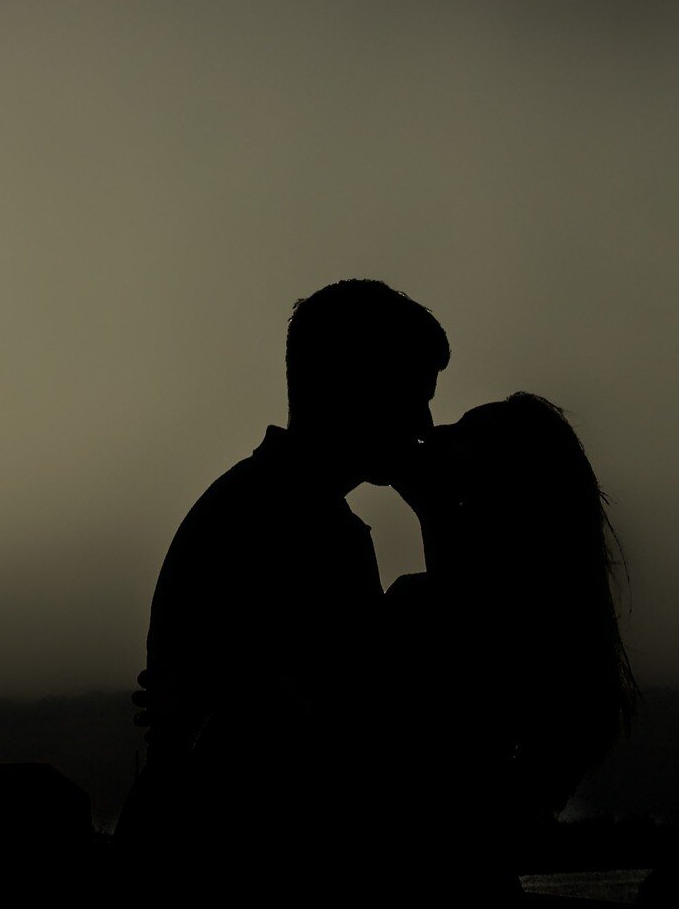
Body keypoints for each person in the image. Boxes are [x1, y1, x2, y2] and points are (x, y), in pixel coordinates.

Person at [116, 278, 450, 902]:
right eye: (413, 395)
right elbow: (345, 746)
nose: (425, 425)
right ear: (355, 386)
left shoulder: (260, 504)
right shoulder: (304, 528)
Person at [378, 393, 637, 903]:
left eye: (467, 431)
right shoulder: (554, 635)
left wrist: (430, 510)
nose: (437, 430)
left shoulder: (435, 612)